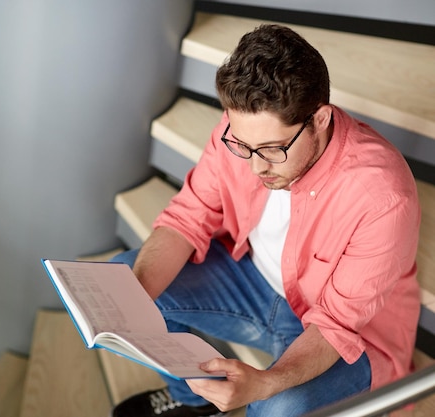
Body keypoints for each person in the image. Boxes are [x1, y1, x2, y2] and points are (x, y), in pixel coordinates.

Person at [110, 24, 421, 417]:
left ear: (320, 119)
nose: (256, 166)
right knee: (122, 280)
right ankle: (192, 401)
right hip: (253, 284)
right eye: (243, 145)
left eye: (273, 149)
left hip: (340, 331)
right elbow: (186, 218)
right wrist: (134, 304)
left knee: (276, 407)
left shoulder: (384, 195)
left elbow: (336, 326)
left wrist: (266, 383)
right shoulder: (238, 133)